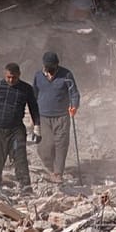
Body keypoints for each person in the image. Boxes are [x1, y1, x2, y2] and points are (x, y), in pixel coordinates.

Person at [0, 62, 40, 192]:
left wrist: (37, 127)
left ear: (19, 75)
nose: (11, 80)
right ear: (4, 74)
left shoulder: (26, 89)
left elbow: (34, 108)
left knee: (20, 158)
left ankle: (25, 187)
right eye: (8, 77)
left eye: (14, 77)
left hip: (15, 130)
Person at [32, 51, 80, 185]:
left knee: (61, 144)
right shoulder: (38, 76)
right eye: (47, 67)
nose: (50, 70)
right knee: (44, 146)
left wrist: (74, 106)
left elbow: (74, 93)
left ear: (57, 65)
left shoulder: (66, 75)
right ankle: (50, 167)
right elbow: (33, 94)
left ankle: (58, 173)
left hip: (62, 116)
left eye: (52, 67)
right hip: (43, 117)